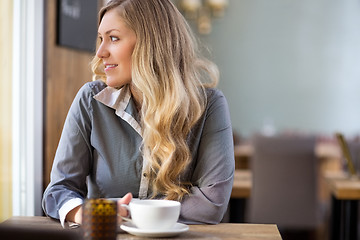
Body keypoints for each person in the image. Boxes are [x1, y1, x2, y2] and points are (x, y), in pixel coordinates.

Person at [42, 0, 234, 227]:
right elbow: (59, 191)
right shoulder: (90, 100)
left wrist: (121, 212)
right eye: (101, 39)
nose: (101, 52)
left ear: (150, 43)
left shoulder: (210, 105)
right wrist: (84, 213)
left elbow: (211, 204)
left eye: (113, 38)